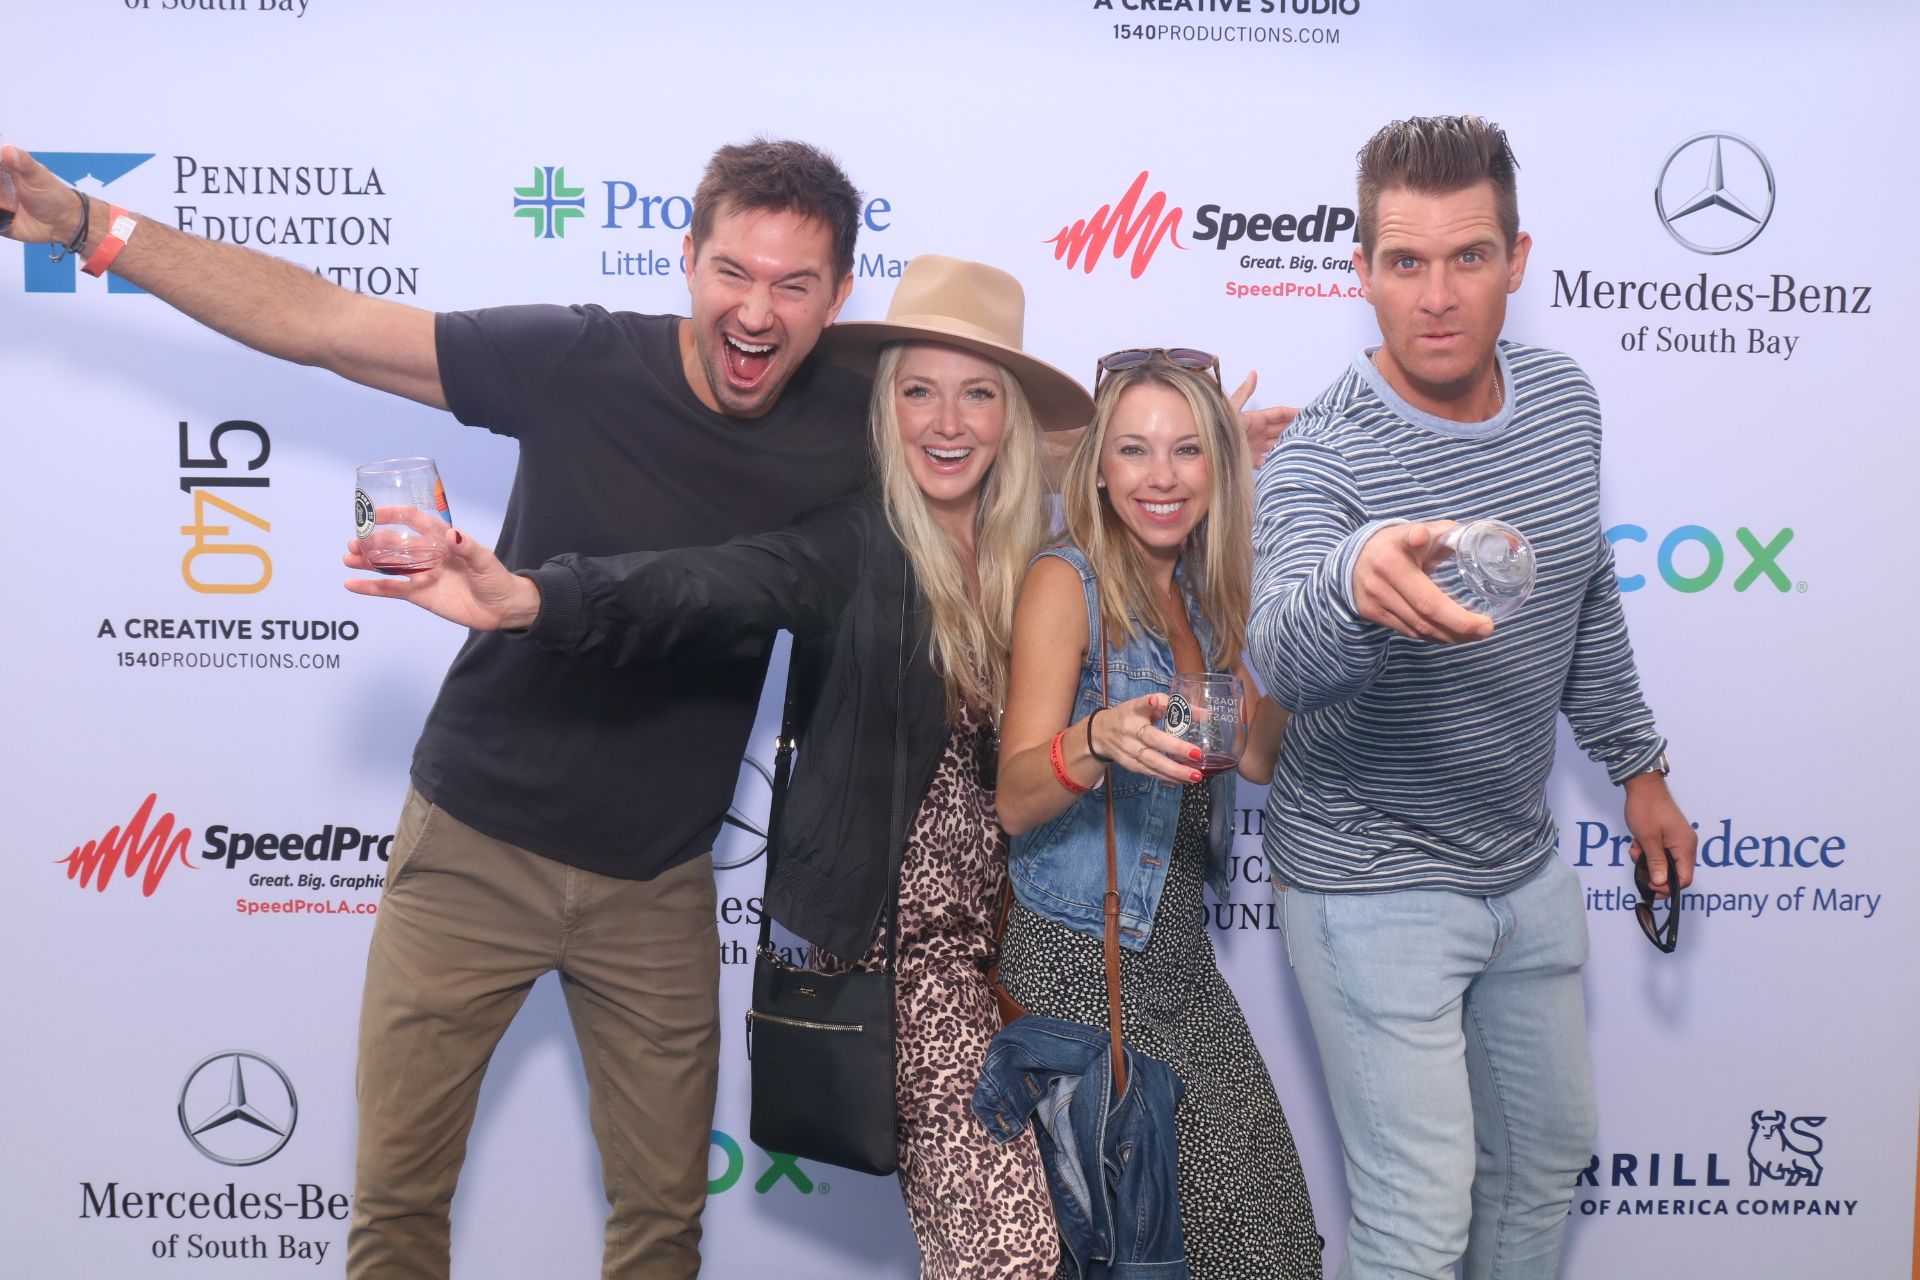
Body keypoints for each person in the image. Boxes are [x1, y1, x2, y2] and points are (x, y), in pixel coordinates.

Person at [0, 137, 872, 1278]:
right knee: (398, 1209)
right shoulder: (578, 359)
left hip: (657, 881)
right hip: (474, 846)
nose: (756, 312)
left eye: (794, 285)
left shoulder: (855, 430)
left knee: (664, 1227)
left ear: (839, 298)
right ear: (687, 260)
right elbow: (328, 323)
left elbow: (1029, 443)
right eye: (733, 273)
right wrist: (86, 226)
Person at [342, 256, 1095, 1279]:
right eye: (918, 391)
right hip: (898, 963)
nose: (947, 421)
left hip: (1005, 955)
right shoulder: (856, 540)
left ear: (1012, 418)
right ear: (882, 410)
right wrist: (534, 599)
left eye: (978, 395)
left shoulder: (1028, 561)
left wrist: (1196, 451)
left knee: (1083, 1233)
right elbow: (711, 584)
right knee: (1010, 1256)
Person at [1247, 115, 1699, 1280]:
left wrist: (1640, 769)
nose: (1438, 297)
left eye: (1469, 258)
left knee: (1546, 1158)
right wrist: (1353, 575)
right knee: (1417, 1220)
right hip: (1370, 882)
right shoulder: (1322, 458)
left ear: (1517, 258)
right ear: (1362, 271)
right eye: (1406, 262)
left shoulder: (1565, 400)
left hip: (1519, 862)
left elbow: (1585, 590)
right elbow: (1281, 650)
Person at [994, 350, 1325, 1278]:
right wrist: (1093, 738)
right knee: (1146, 1252)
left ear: (1218, 468)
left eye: (1187, 450)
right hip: (1081, 963)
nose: (1162, 477)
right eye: (1134, 450)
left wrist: (1310, 644)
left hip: (1179, 961)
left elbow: (1254, 755)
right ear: (1098, 468)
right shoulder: (1068, 582)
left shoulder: (1206, 597)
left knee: (1270, 1248)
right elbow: (1015, 799)